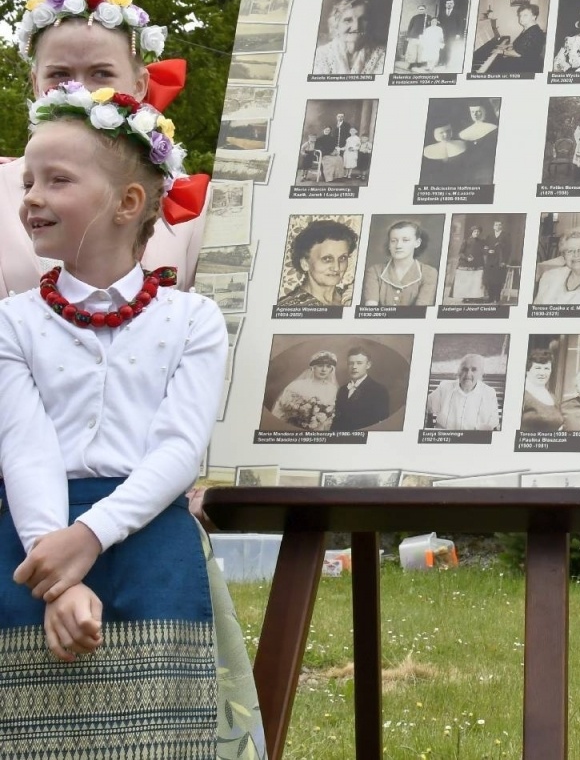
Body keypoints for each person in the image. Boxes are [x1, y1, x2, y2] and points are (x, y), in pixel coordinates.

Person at [0, 85, 264, 755]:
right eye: (28, 180)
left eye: (56, 179)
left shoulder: (190, 319)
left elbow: (179, 449)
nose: (30, 195)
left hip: (149, 539)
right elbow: (23, 450)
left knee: (165, 732)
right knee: (34, 729)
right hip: (35, 539)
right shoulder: (13, 321)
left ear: (128, 203)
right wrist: (56, 571)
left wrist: (89, 537)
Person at [1, 0, 204, 294]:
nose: (79, 90)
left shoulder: (193, 206)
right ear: (35, 83)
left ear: (139, 85)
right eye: (59, 75)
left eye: (101, 74)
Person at [277, 220, 357, 307]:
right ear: (305, 264)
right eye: (327, 259)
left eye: (342, 258)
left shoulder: (351, 297)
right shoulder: (290, 308)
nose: (337, 268)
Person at [361, 219, 438, 307]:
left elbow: (420, 312)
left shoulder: (429, 273)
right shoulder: (374, 271)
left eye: (405, 240)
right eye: (393, 241)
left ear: (417, 243)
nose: (398, 246)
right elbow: (371, 310)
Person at [425, 354, 500, 431]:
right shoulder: (445, 388)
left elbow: (493, 423)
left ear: (481, 373)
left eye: (474, 369)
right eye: (464, 369)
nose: (468, 374)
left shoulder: (489, 393)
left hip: (473, 439)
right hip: (446, 438)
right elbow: (426, 407)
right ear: (458, 372)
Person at [311, 0, 383, 75]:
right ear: (336, 24)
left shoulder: (381, 55)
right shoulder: (320, 55)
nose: (356, 27)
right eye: (348, 20)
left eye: (363, 19)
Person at [271, 350, 341, 431]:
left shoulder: (332, 389)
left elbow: (332, 415)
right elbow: (280, 409)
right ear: (313, 367)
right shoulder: (297, 385)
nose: (324, 369)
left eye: (328, 366)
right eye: (320, 365)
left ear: (331, 370)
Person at [332, 348, 391, 432]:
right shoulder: (343, 389)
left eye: (359, 363)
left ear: (368, 365)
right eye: (351, 363)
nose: (354, 367)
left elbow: (380, 424)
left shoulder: (379, 390)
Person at [519, 350, 562, 432]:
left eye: (546, 368)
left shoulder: (552, 397)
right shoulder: (521, 394)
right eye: (537, 368)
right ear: (528, 370)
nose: (542, 373)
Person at [481, 219, 511, 305]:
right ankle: (490, 297)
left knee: (498, 280)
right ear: (493, 226)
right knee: (489, 280)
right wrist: (488, 252)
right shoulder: (489, 236)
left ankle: (497, 298)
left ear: (501, 226)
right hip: (490, 261)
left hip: (500, 260)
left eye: (499, 225)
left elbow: (509, 249)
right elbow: (484, 247)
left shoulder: (506, 235)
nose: (497, 226)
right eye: (496, 225)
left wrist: (505, 261)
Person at [453, 225, 485, 301]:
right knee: (466, 281)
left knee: (475, 281)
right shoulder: (466, 241)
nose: (476, 233)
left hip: (477, 265)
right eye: (475, 231)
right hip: (466, 264)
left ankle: (474, 297)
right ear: (472, 232)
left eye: (478, 231)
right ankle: (465, 297)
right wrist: (467, 258)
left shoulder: (481, 242)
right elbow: (460, 253)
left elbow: (483, 251)